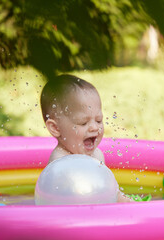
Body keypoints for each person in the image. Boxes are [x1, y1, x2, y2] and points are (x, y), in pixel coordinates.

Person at [40, 74, 132, 202]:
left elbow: (111, 192)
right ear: (56, 128)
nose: (94, 127)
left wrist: (128, 202)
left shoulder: (97, 156)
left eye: (99, 120)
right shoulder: (59, 162)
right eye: (83, 123)